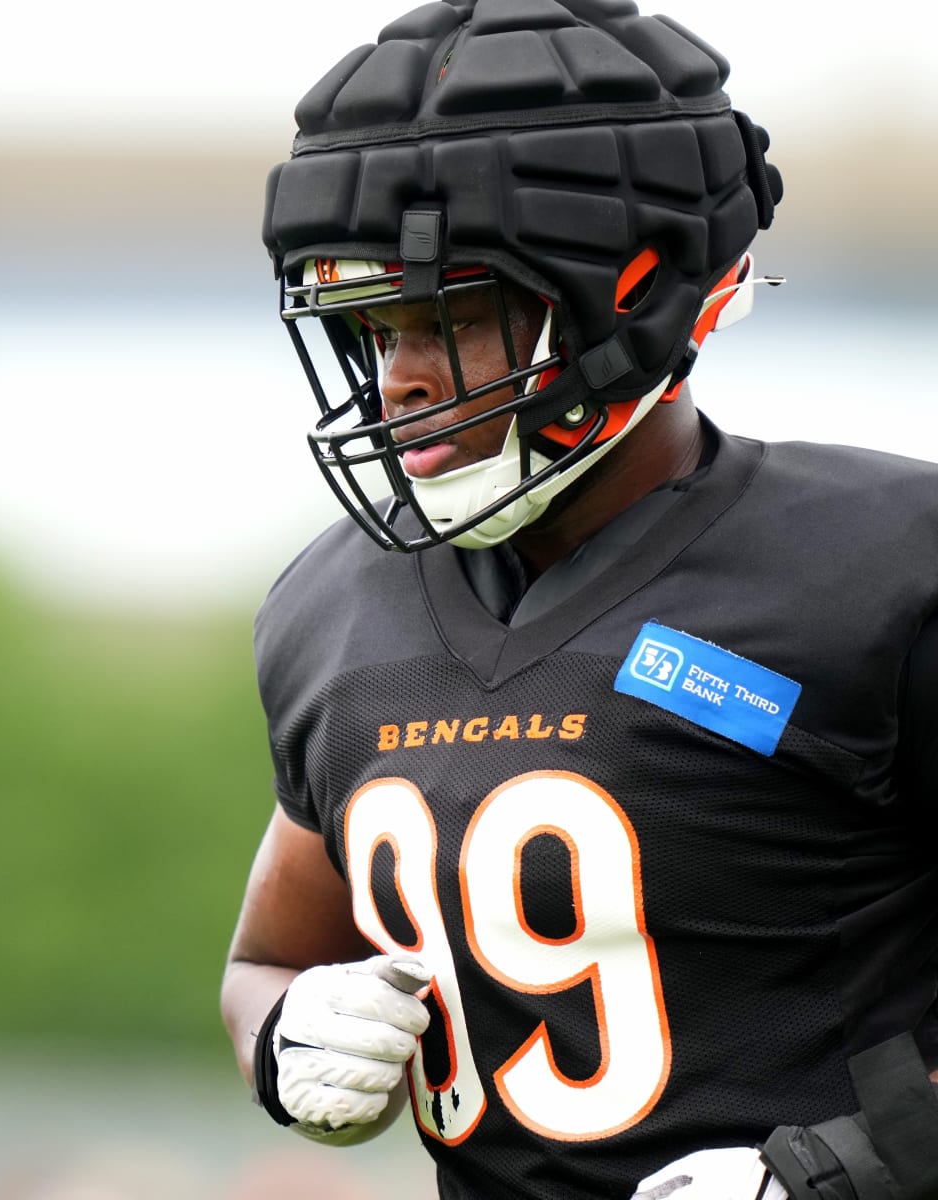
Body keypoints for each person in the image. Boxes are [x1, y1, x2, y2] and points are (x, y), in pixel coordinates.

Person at [220, 1, 938, 1197]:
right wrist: (288, 1036)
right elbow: (268, 960)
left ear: (630, 297)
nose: (398, 382)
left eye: (449, 317)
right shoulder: (331, 610)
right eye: (367, 326)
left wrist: (853, 1172)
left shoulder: (881, 578)